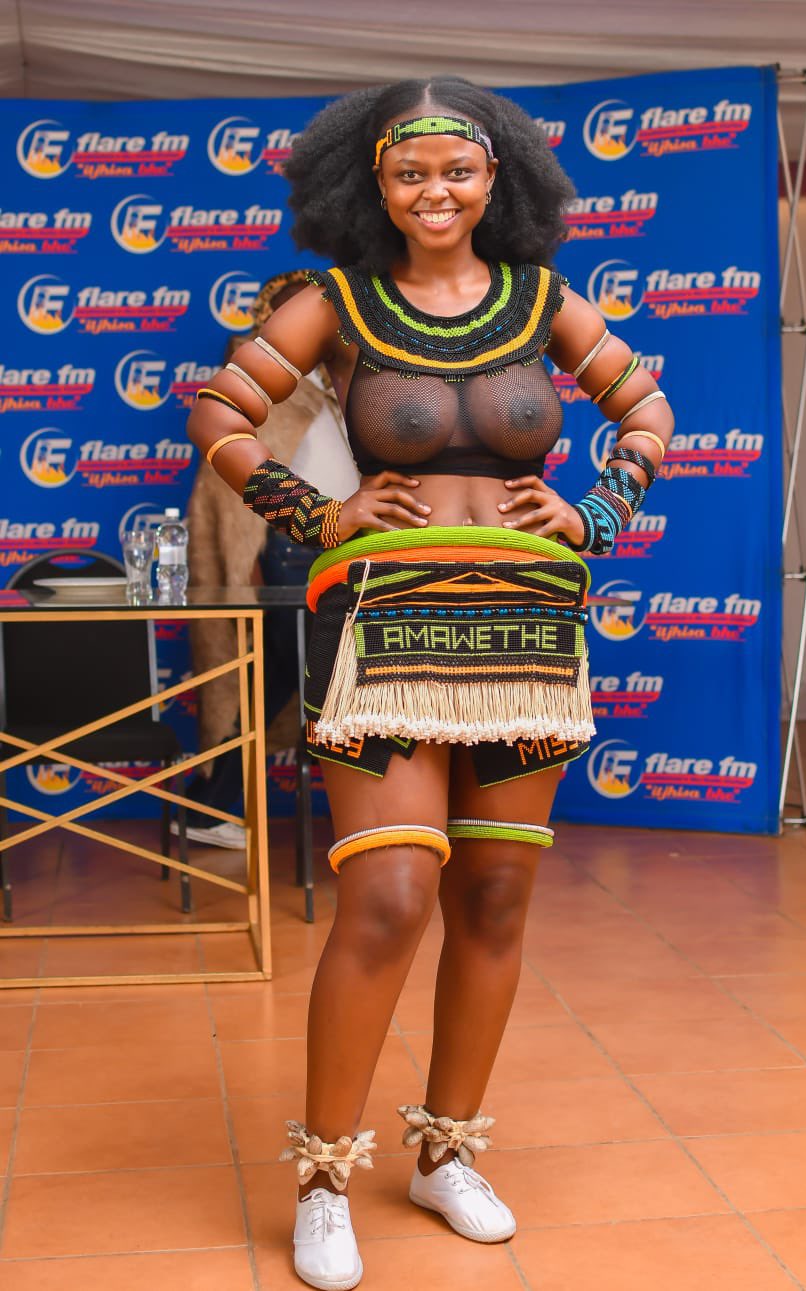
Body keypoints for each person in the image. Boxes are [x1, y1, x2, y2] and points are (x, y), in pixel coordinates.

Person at [187, 75, 674, 1290]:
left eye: (456, 170)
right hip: (387, 625)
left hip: (525, 628)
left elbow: (646, 408)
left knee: (496, 898)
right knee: (391, 897)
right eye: (410, 172)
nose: (435, 191)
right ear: (376, 182)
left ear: (495, 177)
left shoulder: (542, 299)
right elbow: (221, 412)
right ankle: (323, 1177)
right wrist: (318, 511)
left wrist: (599, 509)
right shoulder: (336, 300)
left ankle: (445, 1153)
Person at [178, 272, 359, 848]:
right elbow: (229, 482)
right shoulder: (262, 384)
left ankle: (210, 804)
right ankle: (211, 805)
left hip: (353, 547)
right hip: (287, 550)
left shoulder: (350, 379)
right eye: (294, 311)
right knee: (298, 671)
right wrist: (249, 556)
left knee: (301, 678)